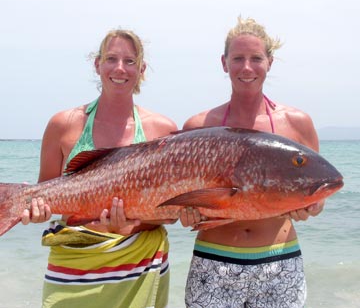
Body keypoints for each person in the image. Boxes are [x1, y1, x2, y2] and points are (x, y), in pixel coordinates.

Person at [21, 29, 178, 308]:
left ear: (141, 69)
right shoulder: (62, 124)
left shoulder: (163, 129)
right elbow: (45, 190)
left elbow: (169, 209)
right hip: (73, 265)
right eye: (111, 58)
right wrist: (35, 212)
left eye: (130, 61)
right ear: (98, 64)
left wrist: (130, 226)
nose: (120, 68)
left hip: (139, 262)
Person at [180, 17, 323, 308]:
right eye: (238, 58)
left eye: (256, 58)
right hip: (213, 261)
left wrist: (314, 206)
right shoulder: (198, 126)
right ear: (224, 63)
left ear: (269, 62)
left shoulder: (297, 124)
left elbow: (317, 186)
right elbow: (179, 193)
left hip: (279, 263)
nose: (247, 67)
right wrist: (186, 212)